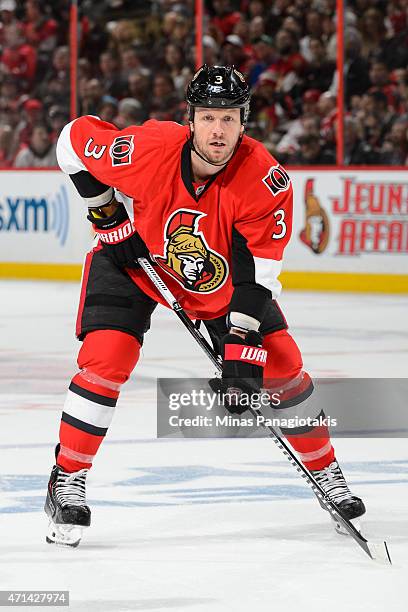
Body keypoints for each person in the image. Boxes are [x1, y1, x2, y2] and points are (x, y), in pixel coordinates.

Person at [44, 65, 365, 547]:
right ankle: (66, 480)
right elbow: (72, 141)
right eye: (209, 117)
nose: (219, 130)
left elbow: (258, 278)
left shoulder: (266, 181)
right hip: (134, 262)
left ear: (244, 122)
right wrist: (106, 211)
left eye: (230, 118)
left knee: (282, 368)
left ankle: (328, 475)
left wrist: (241, 343)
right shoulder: (147, 150)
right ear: (191, 118)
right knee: (105, 359)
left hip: (219, 286)